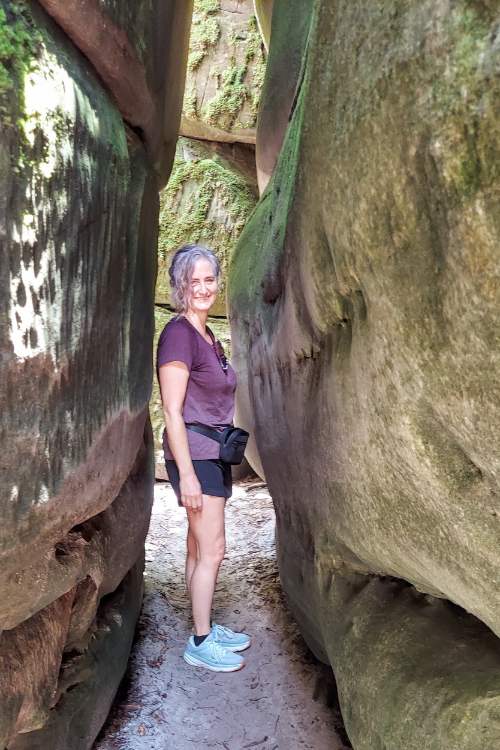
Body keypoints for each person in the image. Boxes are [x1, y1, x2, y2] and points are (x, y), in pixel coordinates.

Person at [156, 243, 251, 672]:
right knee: (214, 550)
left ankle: (206, 626)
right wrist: (189, 477)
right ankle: (199, 641)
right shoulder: (178, 334)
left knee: (198, 546)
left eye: (209, 279)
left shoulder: (207, 335)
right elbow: (172, 410)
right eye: (192, 281)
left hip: (212, 453)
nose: (202, 287)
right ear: (179, 285)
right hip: (194, 457)